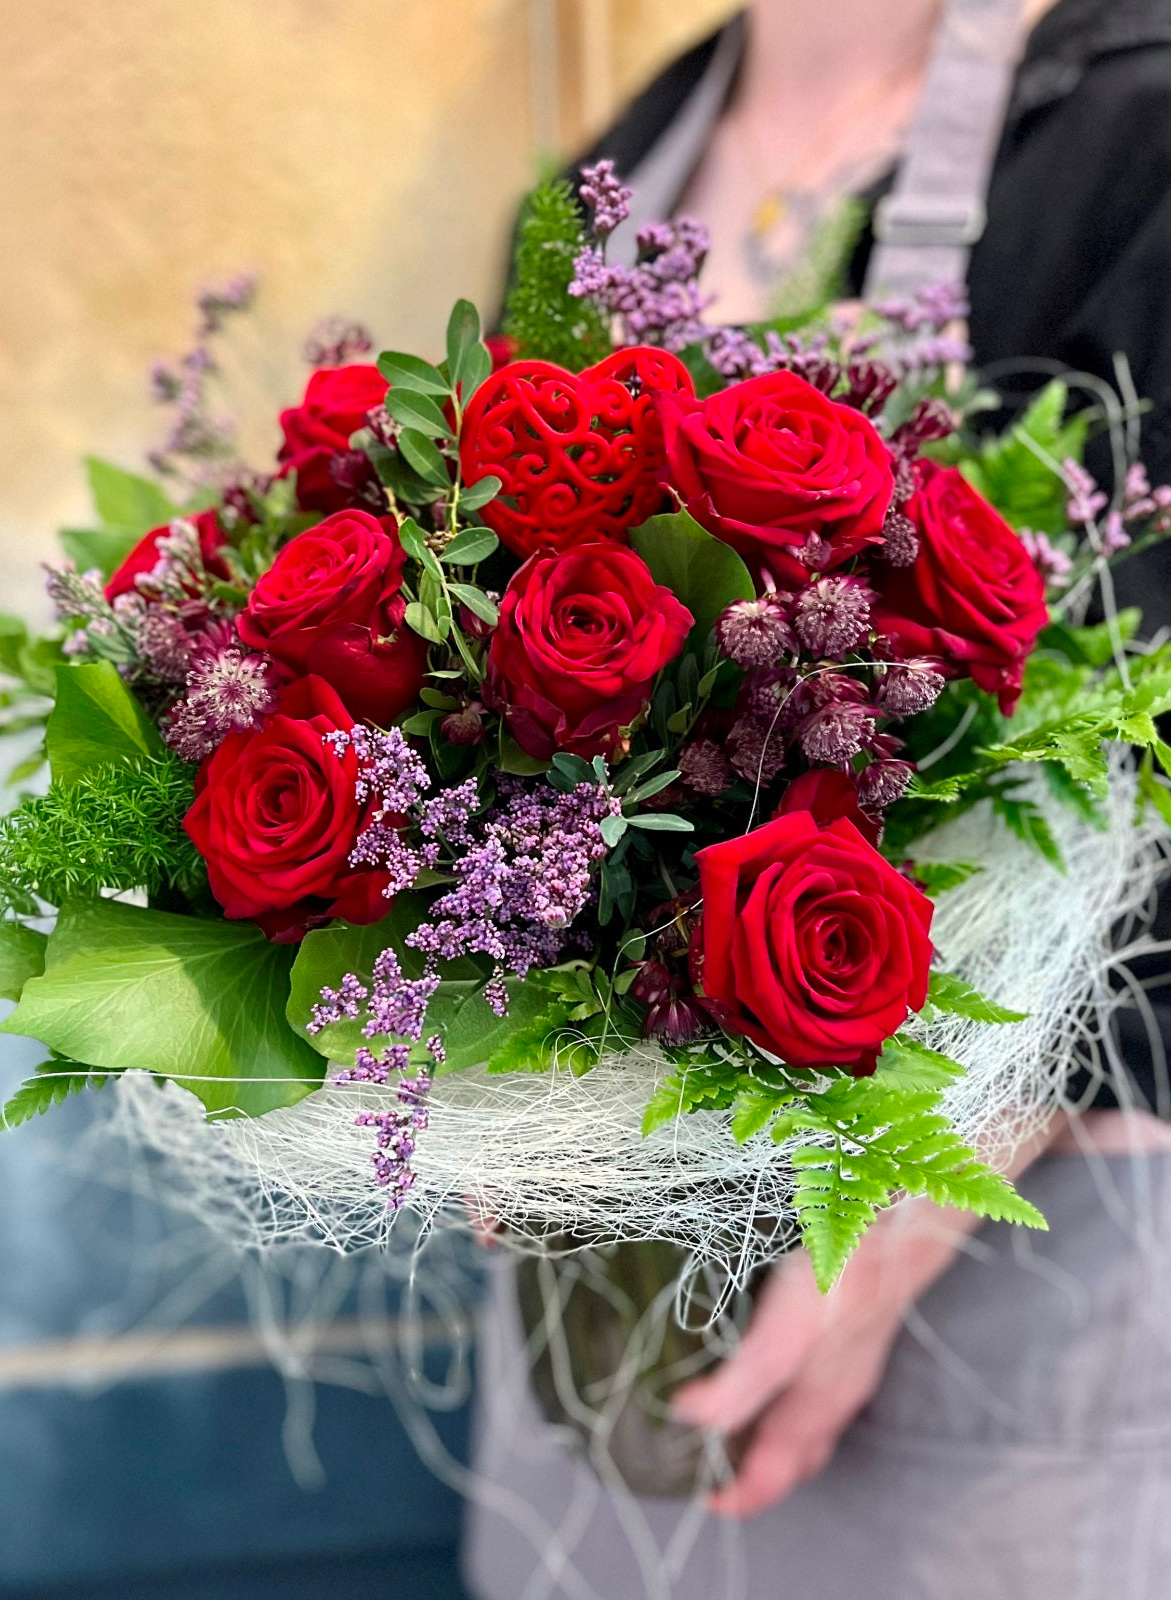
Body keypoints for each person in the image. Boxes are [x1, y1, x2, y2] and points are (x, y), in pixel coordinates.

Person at [463, 3, 1171, 1596]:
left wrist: (904, 1213)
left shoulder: (1136, 120)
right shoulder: (600, 183)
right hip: (606, 1296)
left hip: (1008, 1268)